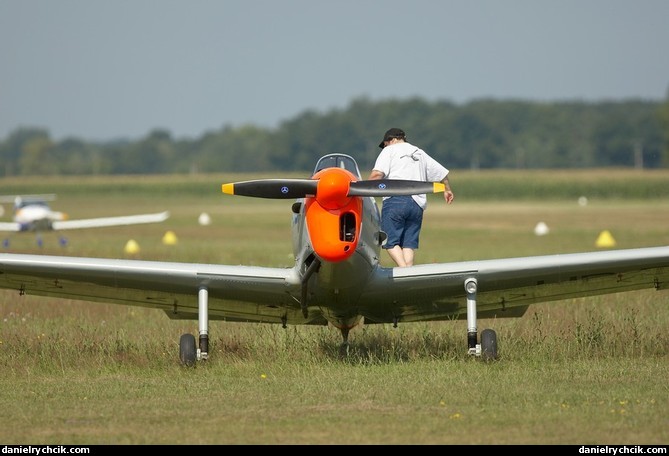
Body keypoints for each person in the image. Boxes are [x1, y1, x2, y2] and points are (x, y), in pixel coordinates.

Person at [368, 128, 454, 267]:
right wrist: (447, 190)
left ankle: (404, 271)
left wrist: (364, 190)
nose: (384, 147)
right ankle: (409, 271)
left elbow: (377, 175)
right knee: (408, 245)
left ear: (392, 140)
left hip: (395, 201)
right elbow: (441, 173)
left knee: (390, 243)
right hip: (417, 205)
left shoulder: (389, 150)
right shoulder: (419, 152)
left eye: (385, 144)